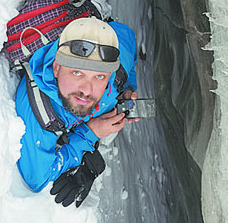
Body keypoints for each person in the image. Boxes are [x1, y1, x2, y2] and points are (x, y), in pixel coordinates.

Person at [15, 17, 138, 206]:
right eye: (77, 73)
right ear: (56, 68)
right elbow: (37, 178)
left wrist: (127, 87)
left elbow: (126, 36)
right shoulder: (41, 114)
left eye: (99, 76)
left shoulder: (118, 66)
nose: (87, 90)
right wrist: (90, 133)